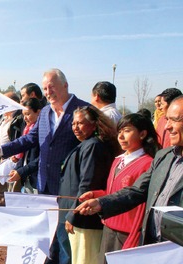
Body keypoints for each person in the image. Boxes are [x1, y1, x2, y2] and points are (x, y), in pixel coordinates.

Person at [0, 68, 89, 264]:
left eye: (51, 87)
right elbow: (31, 140)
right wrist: (3, 150)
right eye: (45, 88)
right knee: (50, 234)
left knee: (66, 238)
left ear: (65, 85)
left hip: (69, 187)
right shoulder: (44, 113)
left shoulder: (82, 110)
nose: (48, 92)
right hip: (45, 183)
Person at [79, 113, 160, 264]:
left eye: (127, 131)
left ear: (142, 133)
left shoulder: (147, 164)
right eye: (120, 131)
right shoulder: (118, 161)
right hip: (110, 229)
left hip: (127, 234)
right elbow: (114, 194)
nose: (121, 136)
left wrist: (134, 236)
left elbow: (137, 201)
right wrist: (97, 195)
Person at [74, 95, 183, 247]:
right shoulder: (164, 157)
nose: (167, 126)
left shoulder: (147, 160)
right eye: (167, 119)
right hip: (153, 245)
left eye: (174, 120)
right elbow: (137, 191)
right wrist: (101, 202)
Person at [54, 105, 118, 264]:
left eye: (80, 123)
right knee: (85, 260)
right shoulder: (89, 145)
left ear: (94, 124)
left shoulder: (92, 147)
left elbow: (87, 184)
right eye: (73, 123)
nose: (75, 127)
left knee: (83, 260)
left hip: (84, 214)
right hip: (81, 212)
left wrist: (73, 214)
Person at [7, 97, 42, 194]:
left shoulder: (43, 132)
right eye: (23, 115)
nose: (25, 118)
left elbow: (41, 158)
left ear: (38, 112)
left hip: (37, 179)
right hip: (26, 178)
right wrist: (17, 169)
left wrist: (21, 171)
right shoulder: (26, 129)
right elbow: (24, 154)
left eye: (28, 114)